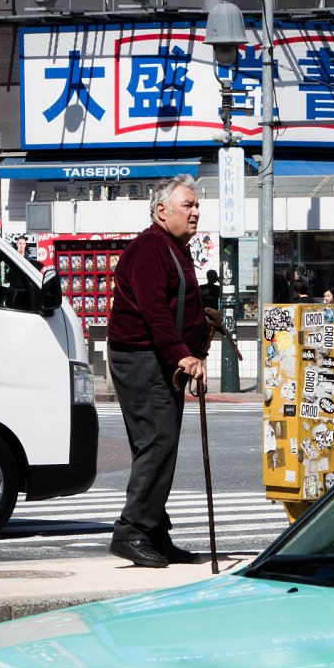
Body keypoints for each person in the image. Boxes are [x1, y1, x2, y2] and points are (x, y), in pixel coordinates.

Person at [106, 175, 207, 568]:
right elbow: (154, 311)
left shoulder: (172, 246)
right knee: (156, 444)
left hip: (156, 358)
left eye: (197, 205)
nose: (196, 211)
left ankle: (153, 531)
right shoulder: (151, 246)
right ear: (162, 210)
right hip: (142, 357)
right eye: (188, 205)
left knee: (157, 445)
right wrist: (182, 354)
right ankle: (131, 530)